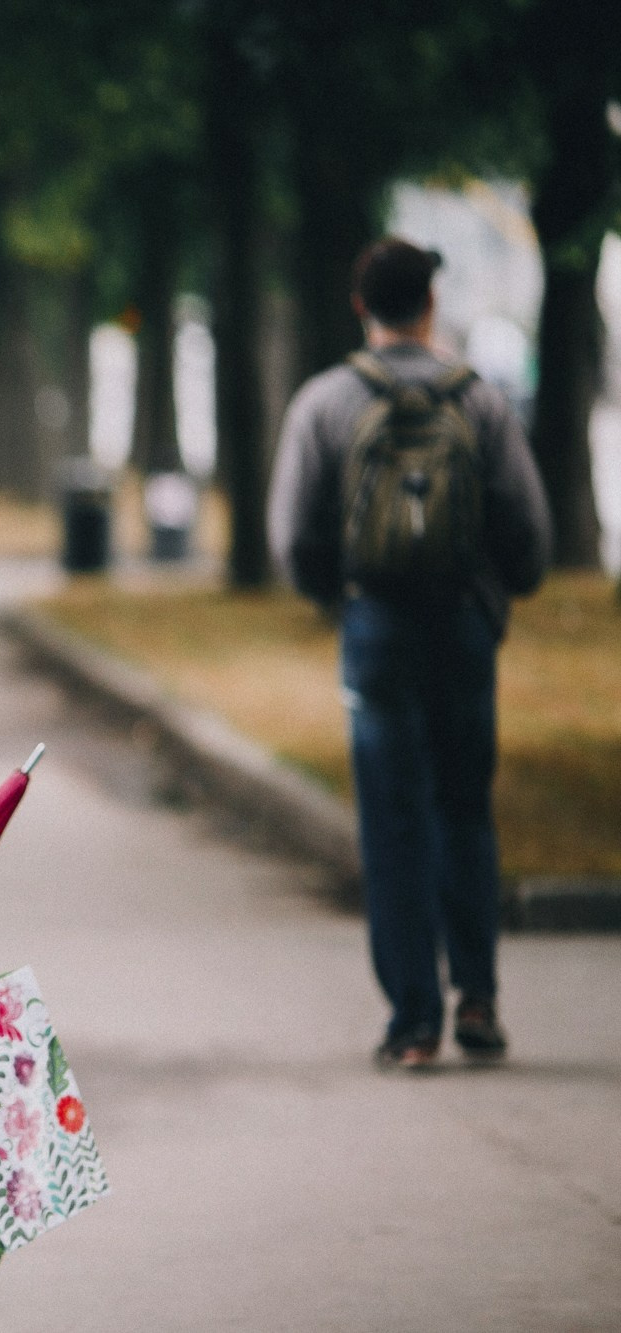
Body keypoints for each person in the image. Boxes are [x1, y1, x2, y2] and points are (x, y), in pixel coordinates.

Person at [268, 236, 550, 1070]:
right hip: (461, 622)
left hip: (376, 625)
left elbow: (292, 535)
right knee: (465, 803)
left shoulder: (326, 402)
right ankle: (480, 995)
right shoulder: (482, 401)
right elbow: (529, 530)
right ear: (429, 305)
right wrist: (499, 590)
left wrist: (337, 598)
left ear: (362, 307)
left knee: (390, 821)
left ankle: (414, 1023)